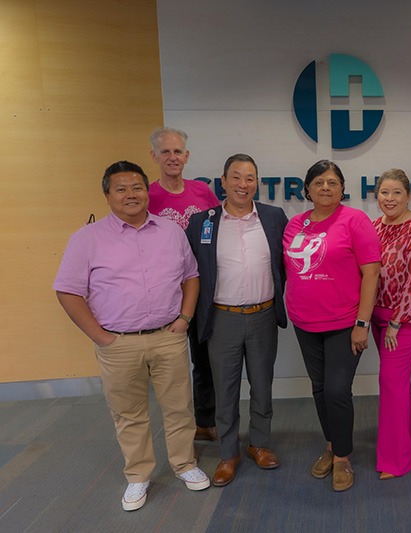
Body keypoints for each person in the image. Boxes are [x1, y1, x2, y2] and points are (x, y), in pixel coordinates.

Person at [53, 161, 209, 511]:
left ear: (147, 191)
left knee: (179, 407)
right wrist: (100, 337)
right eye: (121, 189)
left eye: (137, 187)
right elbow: (68, 291)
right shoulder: (87, 238)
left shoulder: (170, 231)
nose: (131, 194)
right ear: (107, 195)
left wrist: (184, 318)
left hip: (168, 336)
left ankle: (185, 464)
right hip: (118, 342)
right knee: (129, 413)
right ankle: (138, 475)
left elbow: (191, 275)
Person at [186, 154, 288, 487]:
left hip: (263, 316)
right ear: (223, 181)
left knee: (262, 385)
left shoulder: (273, 217)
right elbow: (189, 271)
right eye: (236, 177)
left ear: (256, 182)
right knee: (225, 388)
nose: (243, 185)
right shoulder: (202, 222)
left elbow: (285, 265)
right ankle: (228, 453)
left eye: (249, 178)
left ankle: (260, 443)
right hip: (222, 318)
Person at [283, 160, 381, 492]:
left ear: (342, 189)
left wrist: (362, 323)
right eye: (319, 182)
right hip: (304, 321)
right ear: (307, 189)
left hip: (344, 323)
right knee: (320, 388)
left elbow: (371, 273)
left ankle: (342, 457)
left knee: (337, 391)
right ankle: (331, 443)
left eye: (332, 182)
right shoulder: (294, 225)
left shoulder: (355, 220)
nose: (325, 187)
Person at [149, 127, 220, 443]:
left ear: (187, 156)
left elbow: (220, 228)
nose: (172, 157)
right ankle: (177, 429)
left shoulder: (202, 192)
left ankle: (206, 421)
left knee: (205, 361)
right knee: (173, 369)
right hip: (166, 295)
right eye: (165, 151)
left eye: (177, 151)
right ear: (154, 156)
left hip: (203, 291)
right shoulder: (147, 196)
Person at [371, 169, 411, 480]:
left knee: (390, 380)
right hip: (377, 316)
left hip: (406, 319)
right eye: (384, 192)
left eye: (397, 192)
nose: (390, 198)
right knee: (396, 382)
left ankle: (396, 461)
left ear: (409, 196)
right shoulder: (375, 226)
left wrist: (396, 322)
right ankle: (408, 440)